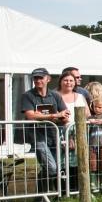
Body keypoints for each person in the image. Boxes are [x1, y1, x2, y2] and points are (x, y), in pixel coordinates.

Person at [21, 67, 67, 195]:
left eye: (40, 78)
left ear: (48, 79)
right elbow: (30, 115)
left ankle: (45, 195)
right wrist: (54, 115)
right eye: (35, 78)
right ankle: (44, 194)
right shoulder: (27, 95)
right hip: (37, 135)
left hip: (54, 134)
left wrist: (44, 116)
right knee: (51, 167)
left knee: (55, 167)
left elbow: (65, 115)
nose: (37, 80)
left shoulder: (55, 95)